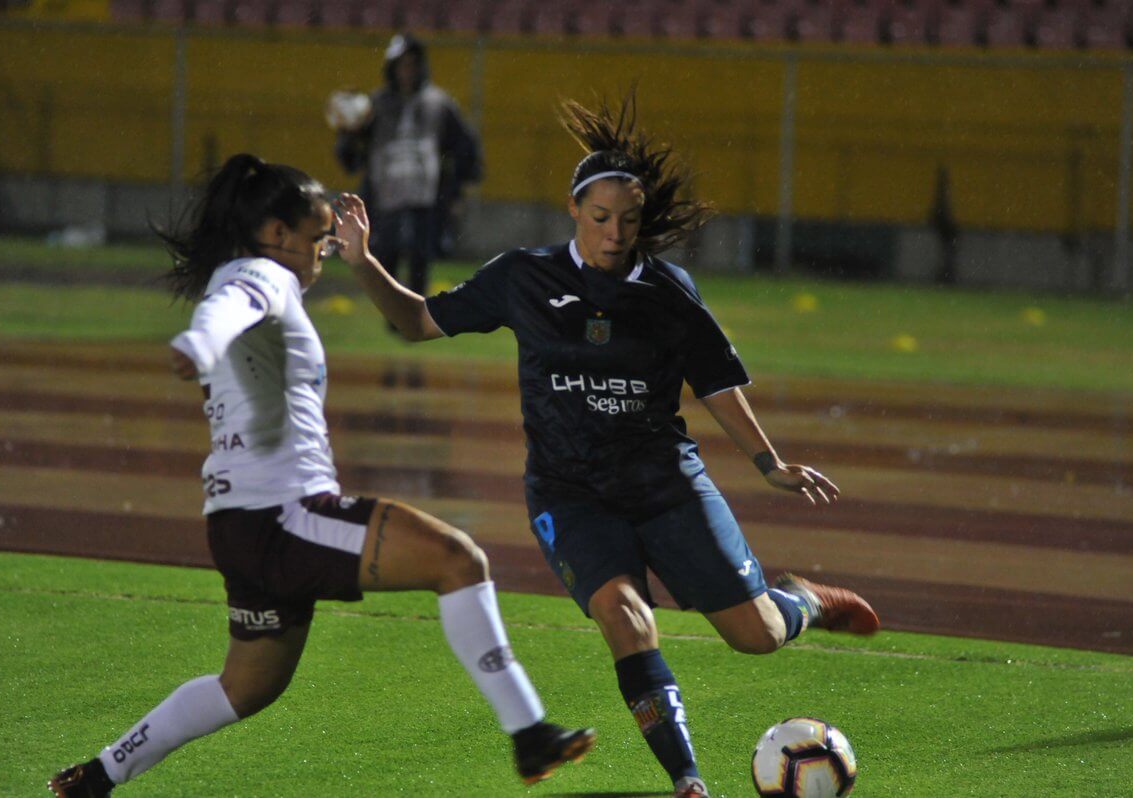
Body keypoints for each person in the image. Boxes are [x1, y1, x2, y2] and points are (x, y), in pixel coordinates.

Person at [336, 92, 881, 798]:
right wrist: (360, 260)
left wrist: (768, 462)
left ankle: (802, 598)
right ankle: (687, 780)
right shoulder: (522, 277)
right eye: (600, 218)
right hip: (570, 494)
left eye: (628, 220)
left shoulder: (668, 292)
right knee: (626, 619)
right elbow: (415, 323)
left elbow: (714, 381)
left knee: (756, 635)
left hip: (666, 486)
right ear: (573, 210)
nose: (614, 232)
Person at [46, 153, 593, 797]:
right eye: (316, 237)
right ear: (277, 235)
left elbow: (229, 306)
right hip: (284, 516)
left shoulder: (252, 276)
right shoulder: (263, 275)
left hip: (240, 523)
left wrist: (358, 261)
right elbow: (226, 309)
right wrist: (197, 345)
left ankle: (101, 774)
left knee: (245, 688)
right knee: (458, 560)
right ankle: (530, 734)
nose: (322, 251)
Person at [332, 32, 482, 298]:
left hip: (424, 194)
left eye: (412, 65)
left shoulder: (438, 103)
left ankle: (416, 307)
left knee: (420, 254)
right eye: (402, 65)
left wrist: (457, 188)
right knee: (384, 250)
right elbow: (352, 154)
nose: (407, 72)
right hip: (384, 192)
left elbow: (464, 146)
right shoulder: (374, 105)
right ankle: (391, 305)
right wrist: (348, 133)